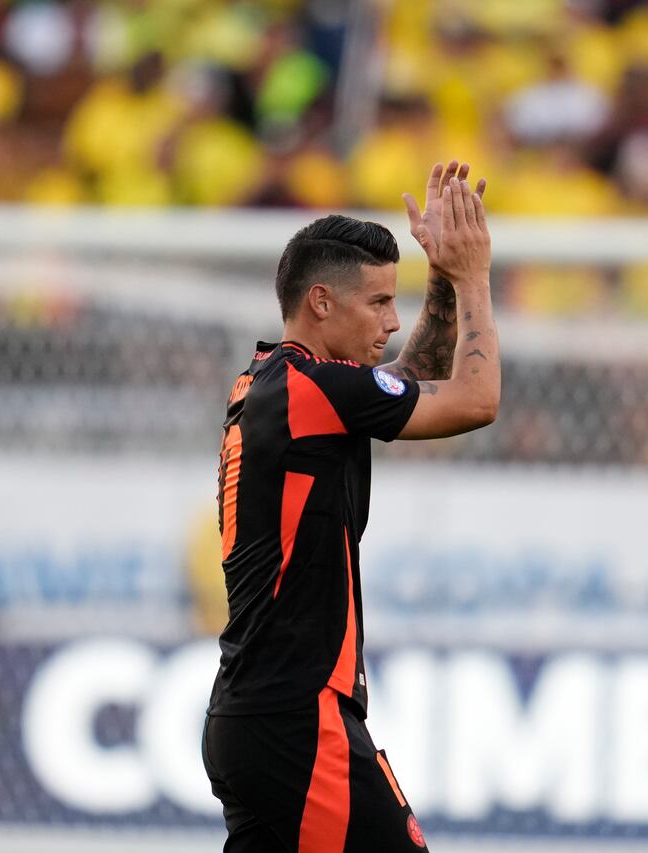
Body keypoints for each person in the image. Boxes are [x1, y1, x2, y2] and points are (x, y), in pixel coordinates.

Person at [202, 161, 499, 853]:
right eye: (378, 304)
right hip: (298, 720)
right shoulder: (312, 390)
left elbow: (403, 381)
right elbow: (474, 400)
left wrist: (441, 284)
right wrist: (477, 277)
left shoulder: (274, 383)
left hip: (254, 716)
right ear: (321, 303)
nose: (392, 323)